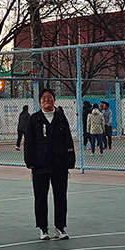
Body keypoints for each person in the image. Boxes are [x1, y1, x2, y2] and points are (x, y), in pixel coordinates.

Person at [24, 88, 76, 240]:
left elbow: (68, 139)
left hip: (59, 165)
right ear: (40, 101)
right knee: (40, 197)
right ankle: (43, 228)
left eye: (50, 97)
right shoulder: (34, 119)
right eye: (44, 98)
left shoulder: (61, 118)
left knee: (60, 196)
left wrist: (70, 160)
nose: (47, 100)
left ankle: (60, 228)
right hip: (40, 165)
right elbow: (29, 142)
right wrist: (30, 161)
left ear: (54, 100)